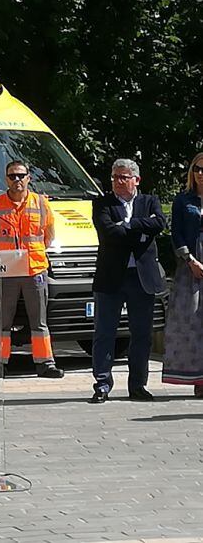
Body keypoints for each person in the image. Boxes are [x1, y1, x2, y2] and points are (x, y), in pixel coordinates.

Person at [89, 159, 166, 404]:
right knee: (105, 332)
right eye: (114, 177)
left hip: (141, 278)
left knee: (141, 334)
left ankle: (138, 385)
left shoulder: (149, 201)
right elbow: (108, 233)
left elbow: (159, 224)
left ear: (136, 180)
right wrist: (139, 233)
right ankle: (102, 384)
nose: (118, 182)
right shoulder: (103, 203)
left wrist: (130, 224)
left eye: (123, 177)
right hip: (111, 276)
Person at [0, 160, 64, 378]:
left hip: (35, 269)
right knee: (2, 320)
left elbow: (48, 236)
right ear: (6, 179)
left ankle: (45, 364)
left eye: (21, 175)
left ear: (28, 178)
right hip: (7, 271)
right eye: (12, 176)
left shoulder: (41, 203)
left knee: (39, 320)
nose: (17, 180)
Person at [162, 152, 203, 397]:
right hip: (191, 266)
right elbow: (176, 234)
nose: (200, 173)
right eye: (196, 169)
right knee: (193, 320)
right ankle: (198, 378)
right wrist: (190, 260)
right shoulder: (182, 201)